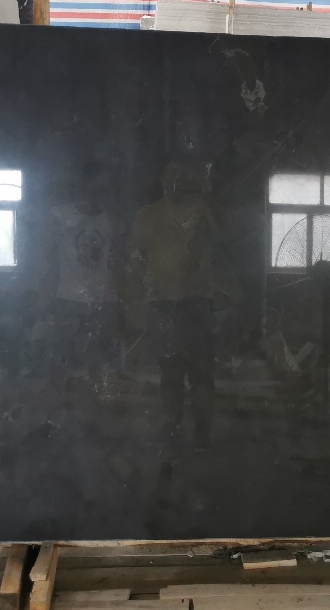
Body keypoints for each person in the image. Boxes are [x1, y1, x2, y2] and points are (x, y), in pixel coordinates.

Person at [130, 162, 217, 448]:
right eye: (173, 176)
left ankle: (203, 431)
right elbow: (137, 255)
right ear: (163, 180)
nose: (178, 182)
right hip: (163, 303)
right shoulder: (148, 215)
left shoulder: (203, 211)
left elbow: (214, 247)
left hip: (196, 301)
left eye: (184, 176)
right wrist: (140, 293)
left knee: (201, 371)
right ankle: (172, 426)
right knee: (170, 371)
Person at [44, 158, 118, 383]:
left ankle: (94, 399)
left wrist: (114, 299)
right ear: (85, 184)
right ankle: (58, 397)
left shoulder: (110, 220)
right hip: (67, 297)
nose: (100, 193)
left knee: (98, 358)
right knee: (62, 356)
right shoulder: (60, 216)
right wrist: (46, 296)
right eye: (97, 186)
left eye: (105, 188)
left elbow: (116, 262)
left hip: (100, 301)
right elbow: (47, 259)